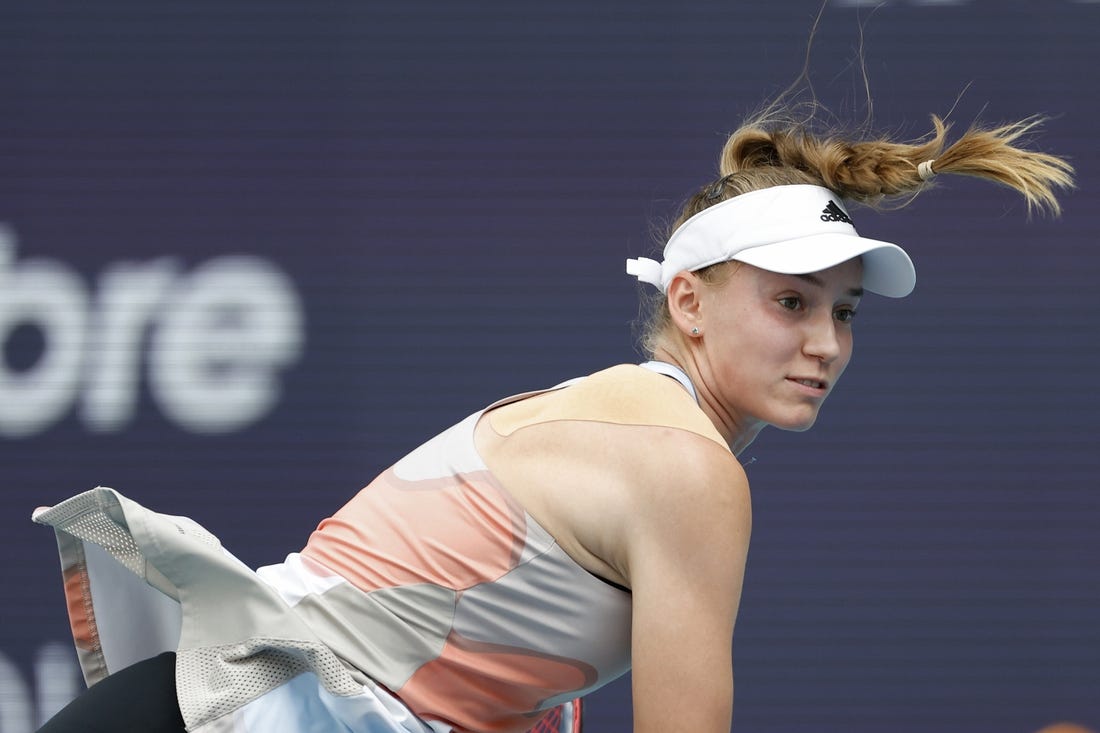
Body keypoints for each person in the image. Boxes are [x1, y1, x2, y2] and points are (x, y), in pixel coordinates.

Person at [33, 98, 1072, 733]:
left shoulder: (631, 418)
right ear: (688, 302)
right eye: (789, 303)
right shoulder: (686, 466)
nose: (825, 344)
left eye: (841, 313)